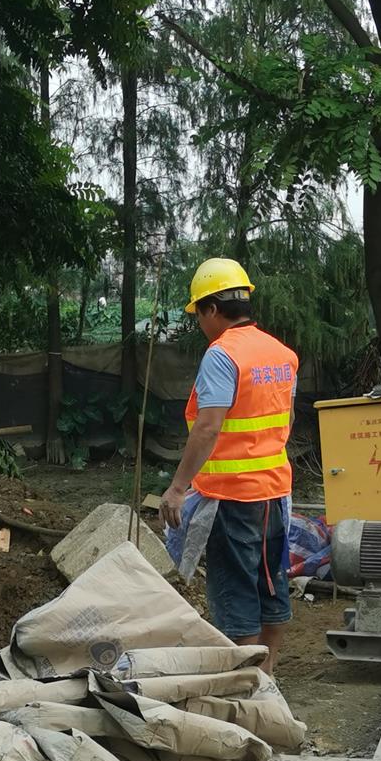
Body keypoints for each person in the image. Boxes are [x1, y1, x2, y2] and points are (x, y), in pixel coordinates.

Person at [160, 257, 299, 672]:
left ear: (211, 309)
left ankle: (245, 687)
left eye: (198, 314)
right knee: (271, 584)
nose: (200, 323)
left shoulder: (222, 356)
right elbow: (287, 421)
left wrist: (178, 487)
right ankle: (266, 678)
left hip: (232, 498)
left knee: (236, 593)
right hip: (275, 492)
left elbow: (207, 428)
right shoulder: (282, 354)